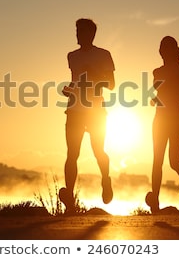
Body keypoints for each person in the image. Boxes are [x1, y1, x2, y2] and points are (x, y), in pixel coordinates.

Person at [59, 18, 115, 214]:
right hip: (74, 109)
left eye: (80, 31)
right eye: (76, 31)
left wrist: (95, 74)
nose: (77, 35)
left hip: (96, 111)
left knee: (98, 151)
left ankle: (106, 180)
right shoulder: (71, 56)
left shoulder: (104, 55)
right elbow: (75, 82)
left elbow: (111, 84)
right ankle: (70, 205)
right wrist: (69, 89)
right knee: (72, 154)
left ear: (90, 34)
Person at [146, 36, 179, 214]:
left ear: (172, 51)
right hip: (159, 119)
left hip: (177, 119)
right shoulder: (156, 72)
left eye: (165, 49)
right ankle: (155, 204)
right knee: (157, 161)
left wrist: (169, 88)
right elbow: (156, 96)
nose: (162, 52)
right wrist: (154, 99)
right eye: (161, 49)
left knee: (174, 161)